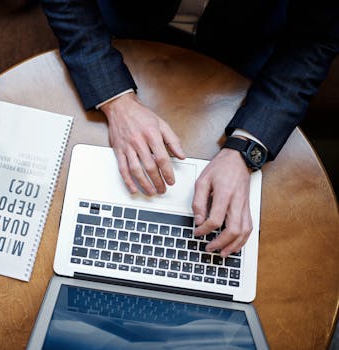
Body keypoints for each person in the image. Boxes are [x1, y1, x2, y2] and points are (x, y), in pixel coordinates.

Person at [41, 0, 339, 257]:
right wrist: (116, 98)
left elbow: (314, 39)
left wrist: (246, 148)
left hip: (239, 52)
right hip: (119, 31)